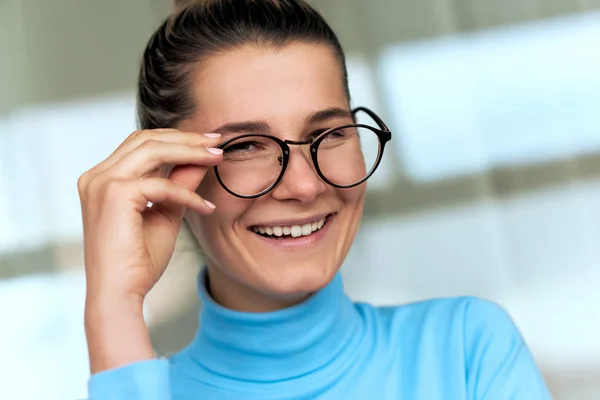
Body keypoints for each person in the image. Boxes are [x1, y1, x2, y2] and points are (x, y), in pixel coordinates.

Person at [78, 0, 552, 398]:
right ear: (165, 174)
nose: (305, 186)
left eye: (328, 133)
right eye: (245, 146)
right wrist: (114, 305)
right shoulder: (132, 384)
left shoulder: (464, 349)